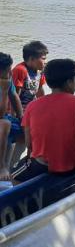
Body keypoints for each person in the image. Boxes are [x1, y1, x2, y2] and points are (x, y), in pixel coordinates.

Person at [13, 59, 75, 184]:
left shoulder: (32, 106)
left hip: (43, 166)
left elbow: (29, 143)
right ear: (69, 82)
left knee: (14, 176)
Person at [0, 53, 23, 181]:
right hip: (1, 118)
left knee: (30, 127)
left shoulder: (7, 80)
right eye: (8, 71)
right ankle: (2, 166)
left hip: (4, 116)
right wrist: (3, 91)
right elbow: (0, 114)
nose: (10, 73)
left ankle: (15, 166)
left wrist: (22, 118)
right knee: (5, 124)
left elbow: (14, 97)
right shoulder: (4, 84)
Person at [12, 41, 48, 110]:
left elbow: (40, 90)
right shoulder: (20, 70)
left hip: (31, 107)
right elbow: (14, 95)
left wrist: (44, 106)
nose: (45, 62)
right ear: (32, 59)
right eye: (43, 59)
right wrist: (17, 114)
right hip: (19, 108)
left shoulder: (40, 71)